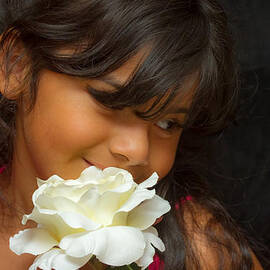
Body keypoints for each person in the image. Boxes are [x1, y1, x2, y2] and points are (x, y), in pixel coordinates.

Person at [0, 0, 265, 269]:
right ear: (16, 66)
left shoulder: (202, 250)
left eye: (167, 124)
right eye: (110, 101)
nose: (138, 150)